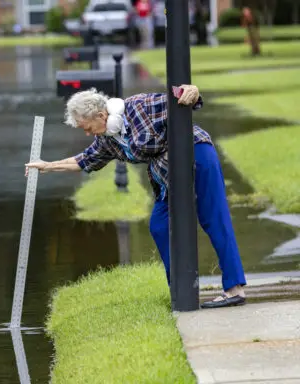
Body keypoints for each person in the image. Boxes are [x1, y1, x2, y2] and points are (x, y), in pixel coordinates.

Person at [25, 86, 247, 309]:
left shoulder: (141, 105)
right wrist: (47, 166)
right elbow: (84, 160)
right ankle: (182, 290)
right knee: (159, 226)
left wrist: (192, 91)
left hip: (195, 154)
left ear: (102, 116)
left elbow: (184, 100)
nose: (87, 134)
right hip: (167, 174)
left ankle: (234, 289)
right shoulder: (108, 139)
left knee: (213, 217)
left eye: (88, 127)